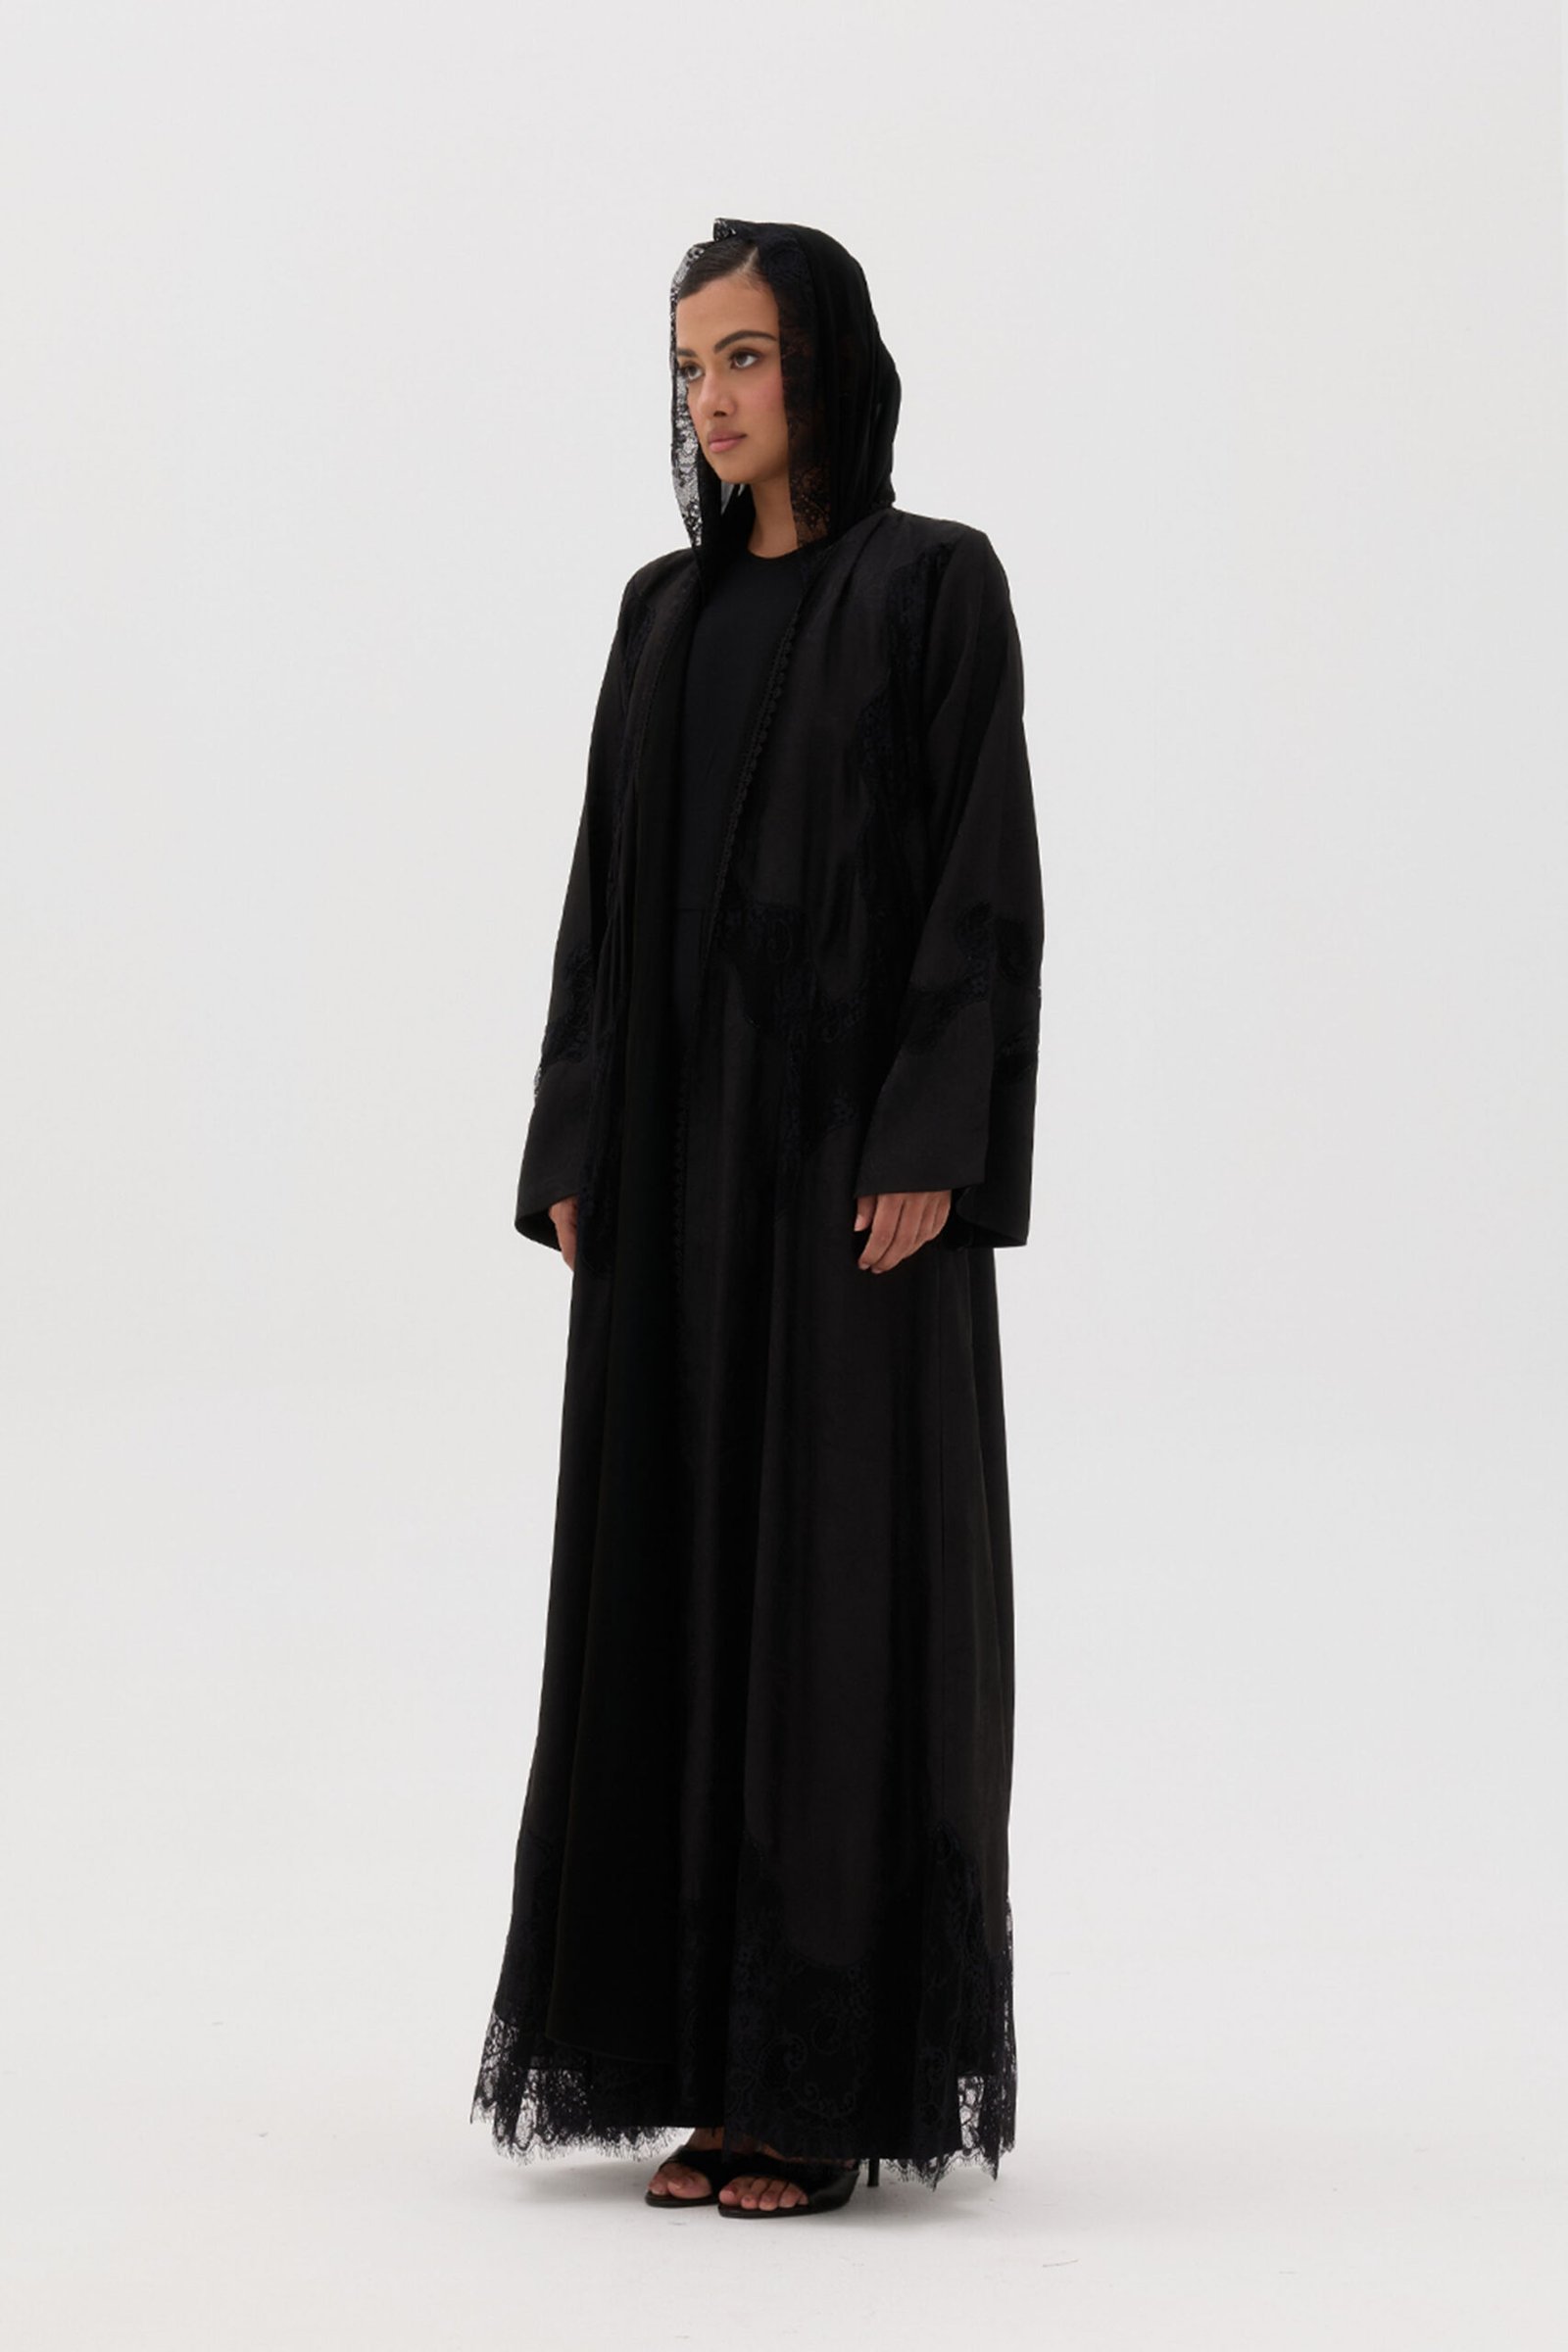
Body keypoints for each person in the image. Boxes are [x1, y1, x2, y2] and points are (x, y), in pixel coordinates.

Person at [470, 217, 1046, 2217]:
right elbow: (601, 901)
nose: (712, 398)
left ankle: (815, 2083)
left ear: (825, 366)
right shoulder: (662, 611)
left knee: (834, 1592)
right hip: (672, 1185)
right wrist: (572, 1137)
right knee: (673, 1571)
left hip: (851, 1189)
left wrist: (930, 1140)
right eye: (689, 364)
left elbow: (981, 881)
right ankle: (696, 2066)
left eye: (745, 357)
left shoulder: (933, 583)